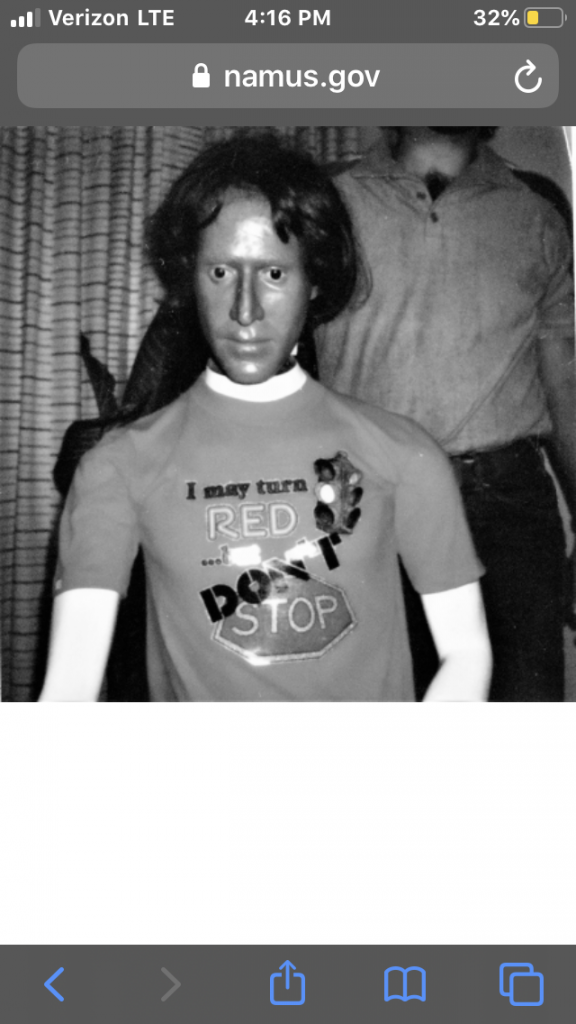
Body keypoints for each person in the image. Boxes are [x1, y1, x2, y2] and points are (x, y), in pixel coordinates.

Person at [41, 132, 490, 702]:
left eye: (274, 274)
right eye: (221, 273)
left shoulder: (405, 454)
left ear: (315, 282)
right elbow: (69, 692)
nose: (245, 311)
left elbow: (467, 653)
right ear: (190, 277)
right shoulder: (118, 466)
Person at [316, 126, 575, 701]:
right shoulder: (329, 200)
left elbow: (565, 382)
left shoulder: (534, 212)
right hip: (363, 505)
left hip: (506, 511)